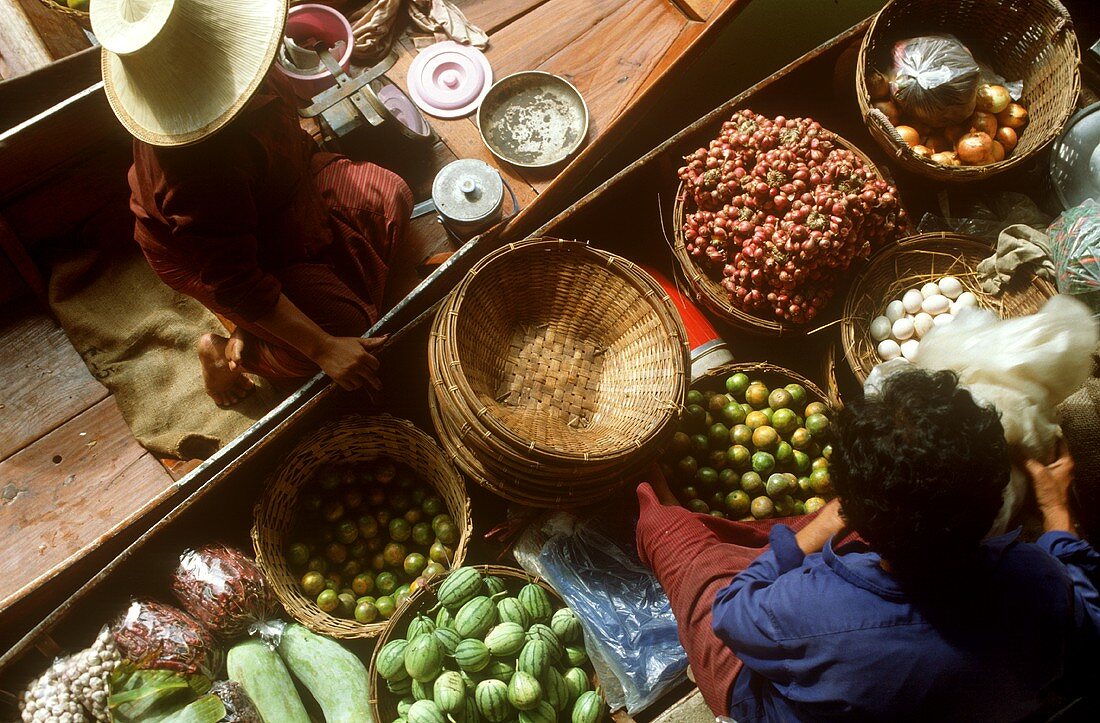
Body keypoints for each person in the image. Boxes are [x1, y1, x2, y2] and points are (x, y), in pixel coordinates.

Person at [636, 368, 1100, 720]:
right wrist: (1058, 513)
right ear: (992, 506)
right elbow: (1086, 617)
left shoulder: (810, 609)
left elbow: (732, 616)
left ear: (856, 515)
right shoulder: (1037, 581)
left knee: (692, 561)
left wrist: (810, 534)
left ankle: (649, 505)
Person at [94, 0, 411, 406]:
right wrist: (323, 348)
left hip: (275, 201)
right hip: (215, 255)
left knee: (389, 195)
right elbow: (235, 279)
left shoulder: (247, 69)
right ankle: (228, 350)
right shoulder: (200, 168)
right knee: (347, 331)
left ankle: (266, 318)